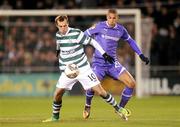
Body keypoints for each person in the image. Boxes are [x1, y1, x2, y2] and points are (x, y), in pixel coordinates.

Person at [42, 15, 128, 122]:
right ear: (57, 26)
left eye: (65, 25)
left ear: (68, 23)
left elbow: (93, 42)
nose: (63, 28)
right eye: (61, 26)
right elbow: (59, 43)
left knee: (100, 91)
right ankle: (55, 117)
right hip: (68, 70)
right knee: (57, 93)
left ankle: (118, 108)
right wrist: (58, 50)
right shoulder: (58, 35)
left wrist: (104, 54)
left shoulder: (76, 33)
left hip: (83, 68)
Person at [83, 9, 149, 119]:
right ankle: (87, 105)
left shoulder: (121, 30)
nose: (112, 20)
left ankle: (120, 109)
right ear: (107, 17)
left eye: (114, 18)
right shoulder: (99, 26)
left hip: (113, 63)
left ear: (117, 18)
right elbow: (84, 36)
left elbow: (131, 41)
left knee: (131, 83)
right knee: (92, 86)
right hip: (98, 63)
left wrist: (140, 54)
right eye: (110, 17)